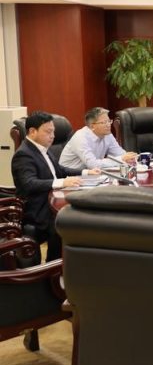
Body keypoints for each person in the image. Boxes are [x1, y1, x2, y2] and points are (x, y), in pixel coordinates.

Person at [12, 112, 99, 262]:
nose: (52, 136)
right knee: (68, 221)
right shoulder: (24, 154)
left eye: (53, 132)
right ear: (32, 131)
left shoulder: (42, 149)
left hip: (51, 200)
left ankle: (69, 262)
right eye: (48, 132)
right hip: (37, 208)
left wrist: (86, 172)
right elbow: (29, 184)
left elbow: (60, 170)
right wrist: (61, 182)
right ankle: (55, 266)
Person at [59, 107, 137, 169]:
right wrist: (121, 159)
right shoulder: (81, 137)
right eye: (104, 122)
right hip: (69, 177)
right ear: (92, 126)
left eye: (109, 121)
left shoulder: (107, 135)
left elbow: (120, 153)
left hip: (91, 174)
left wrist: (130, 158)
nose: (108, 125)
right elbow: (92, 164)